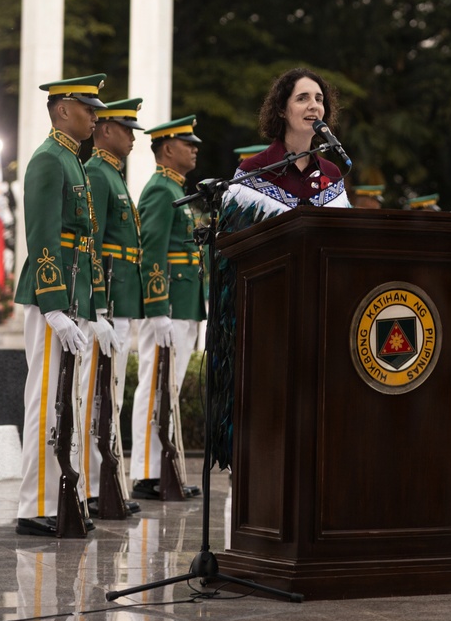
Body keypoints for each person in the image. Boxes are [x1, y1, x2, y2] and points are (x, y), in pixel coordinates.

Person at [212, 67, 350, 470]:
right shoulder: (253, 172)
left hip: (319, 319)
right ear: (282, 109)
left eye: (319, 99)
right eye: (303, 98)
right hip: (266, 321)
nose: (313, 106)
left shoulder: (333, 176)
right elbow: (230, 260)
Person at [13, 73, 108, 536]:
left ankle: (56, 499)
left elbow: (84, 243)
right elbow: (43, 235)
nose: (95, 115)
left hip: (74, 297)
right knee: (46, 401)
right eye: (87, 107)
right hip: (53, 296)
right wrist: (52, 303)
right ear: (62, 108)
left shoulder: (73, 160)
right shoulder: (50, 160)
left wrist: (93, 306)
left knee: (62, 402)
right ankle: (35, 504)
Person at [130, 115, 206, 499]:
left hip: (184, 303)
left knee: (169, 387)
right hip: (170, 305)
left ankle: (165, 468)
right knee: (155, 385)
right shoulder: (161, 190)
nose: (194, 149)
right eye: (187, 143)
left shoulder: (176, 189)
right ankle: (146, 472)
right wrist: (157, 306)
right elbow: (152, 250)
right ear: (167, 149)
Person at [79, 98, 146, 515]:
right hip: (106, 302)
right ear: (105, 130)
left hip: (121, 300)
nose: (132, 137)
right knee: (94, 395)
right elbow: (93, 246)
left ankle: (106, 483)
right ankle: (87, 485)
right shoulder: (99, 175)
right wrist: (98, 306)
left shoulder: (113, 175)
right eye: (126, 129)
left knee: (113, 394)